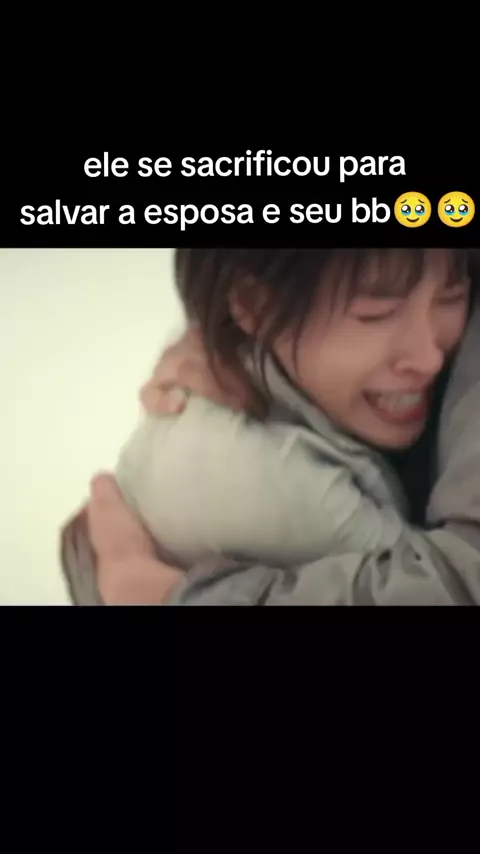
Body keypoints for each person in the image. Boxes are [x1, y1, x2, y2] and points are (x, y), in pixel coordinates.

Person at [61, 247, 480, 605]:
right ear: (253, 305)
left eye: (454, 295)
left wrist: (166, 595)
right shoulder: (270, 478)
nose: (430, 358)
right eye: (375, 315)